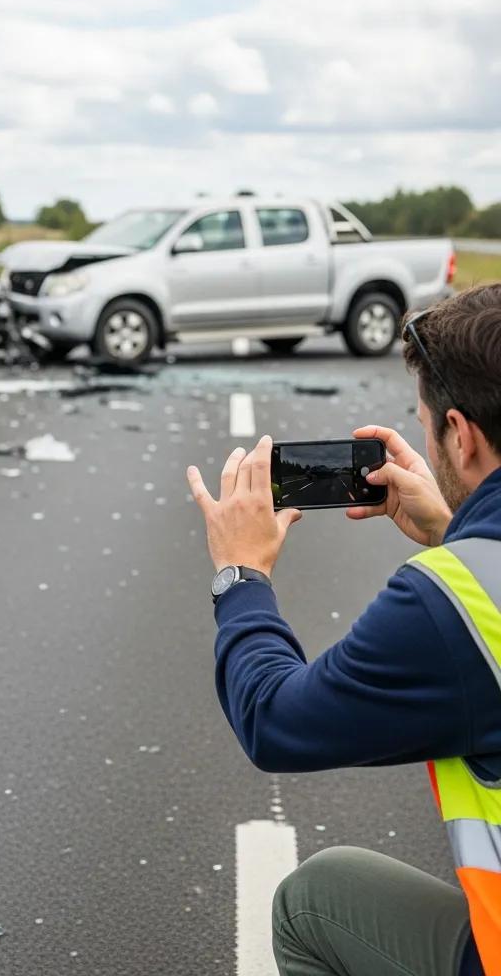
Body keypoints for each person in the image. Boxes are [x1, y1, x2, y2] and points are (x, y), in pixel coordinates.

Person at [185, 283, 501, 976]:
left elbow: (276, 719)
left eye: (426, 425)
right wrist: (458, 527)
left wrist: (240, 574)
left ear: (463, 435)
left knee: (312, 902)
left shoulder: (451, 606)